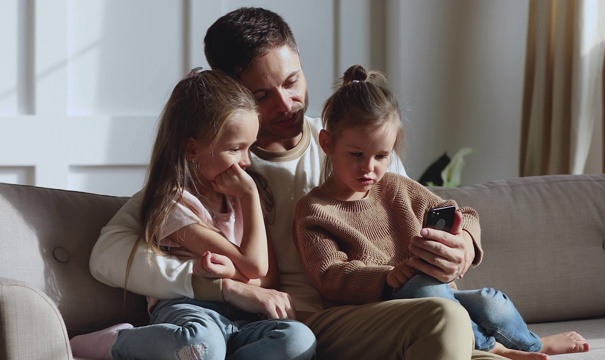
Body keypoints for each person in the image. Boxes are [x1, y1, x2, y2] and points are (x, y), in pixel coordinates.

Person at [90, 7, 508, 359]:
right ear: (230, 94)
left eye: (292, 82)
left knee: (443, 305)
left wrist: (464, 245)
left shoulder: (350, 144)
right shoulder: (213, 170)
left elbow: (426, 208)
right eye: (261, 95)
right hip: (292, 330)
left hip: (367, 311)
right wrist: (214, 285)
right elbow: (108, 254)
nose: (286, 104)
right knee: (445, 316)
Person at [293, 64, 590, 360]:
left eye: (381, 156)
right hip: (379, 314)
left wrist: (465, 243)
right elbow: (329, 274)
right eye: (356, 154)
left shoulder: (397, 188)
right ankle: (489, 347)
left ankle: (533, 345)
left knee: (491, 302)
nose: (369, 167)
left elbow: (466, 214)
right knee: (422, 286)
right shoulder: (315, 210)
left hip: (437, 296)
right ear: (327, 143)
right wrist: (388, 277)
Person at [72, 69, 315, 360]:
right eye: (235, 149)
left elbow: (269, 277)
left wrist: (237, 271)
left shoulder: (237, 197)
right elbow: (254, 266)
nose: (246, 162)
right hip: (189, 309)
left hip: (241, 317)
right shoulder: (173, 205)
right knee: (202, 344)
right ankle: (116, 342)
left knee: (298, 339)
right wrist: (249, 197)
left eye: (249, 148)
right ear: (192, 150)